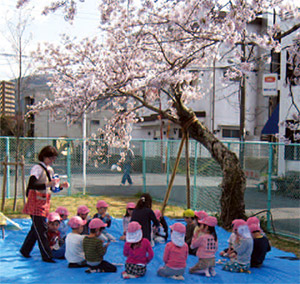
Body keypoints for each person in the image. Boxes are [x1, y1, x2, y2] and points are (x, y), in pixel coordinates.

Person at [20, 145, 69, 263]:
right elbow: (32, 185)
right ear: (44, 156)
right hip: (35, 202)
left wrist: (61, 186)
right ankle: (46, 255)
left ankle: (25, 250)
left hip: (44, 202)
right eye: (50, 158)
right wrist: (48, 184)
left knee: (36, 228)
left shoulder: (50, 170)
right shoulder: (37, 168)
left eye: (54, 159)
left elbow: (52, 188)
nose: (52, 161)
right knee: (42, 229)